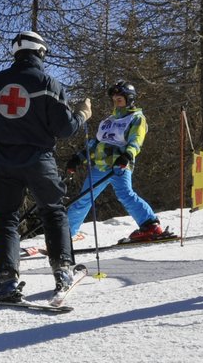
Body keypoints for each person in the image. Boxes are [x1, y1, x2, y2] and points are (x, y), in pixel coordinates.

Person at [0, 30, 91, 301]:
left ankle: (4, 280)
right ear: (41, 53)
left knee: (5, 219)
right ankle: (63, 271)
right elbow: (65, 128)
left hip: (3, 161)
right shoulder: (48, 83)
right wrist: (82, 114)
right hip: (39, 160)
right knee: (53, 213)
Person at [64, 81, 165, 243]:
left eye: (120, 99)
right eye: (114, 99)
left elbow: (136, 141)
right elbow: (95, 144)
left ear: (129, 99)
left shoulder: (136, 118)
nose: (116, 102)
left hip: (119, 165)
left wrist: (127, 156)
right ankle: (66, 233)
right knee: (84, 197)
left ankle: (150, 225)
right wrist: (78, 159)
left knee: (125, 194)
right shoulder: (107, 121)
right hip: (100, 166)